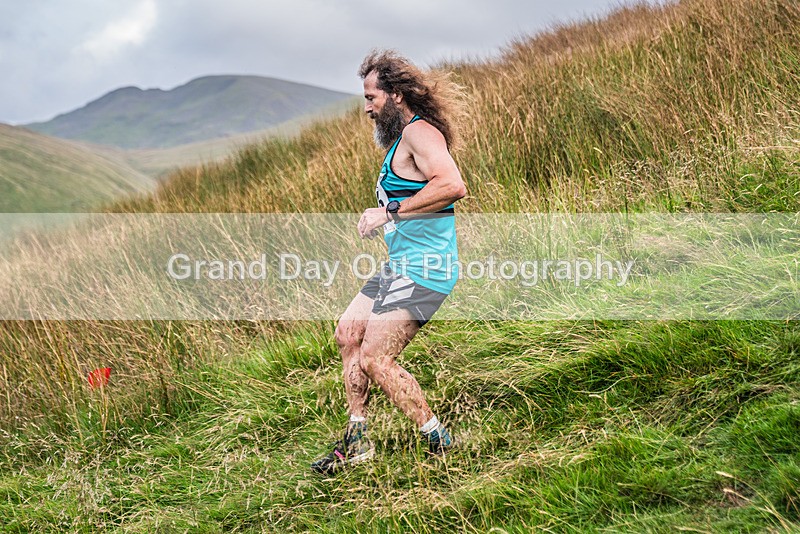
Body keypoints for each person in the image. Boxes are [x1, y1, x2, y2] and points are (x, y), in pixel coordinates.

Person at [311, 50, 467, 474]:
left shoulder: (421, 134)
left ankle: (440, 441)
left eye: (371, 97)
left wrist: (390, 213)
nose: (366, 108)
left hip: (426, 269)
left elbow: (453, 185)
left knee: (376, 358)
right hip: (401, 265)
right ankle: (358, 441)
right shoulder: (401, 139)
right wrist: (386, 215)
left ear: (396, 94)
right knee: (348, 334)